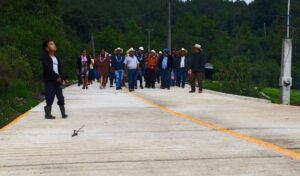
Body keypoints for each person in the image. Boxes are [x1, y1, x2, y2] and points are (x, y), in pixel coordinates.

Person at [42, 40, 68, 119]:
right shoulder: (45, 57)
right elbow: (48, 69)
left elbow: (60, 70)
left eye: (54, 43)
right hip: (50, 80)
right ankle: (47, 114)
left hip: (58, 81)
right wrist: (57, 76)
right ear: (47, 48)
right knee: (49, 97)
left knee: (60, 97)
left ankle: (63, 113)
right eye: (51, 44)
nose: (54, 45)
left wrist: (64, 78)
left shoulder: (57, 58)